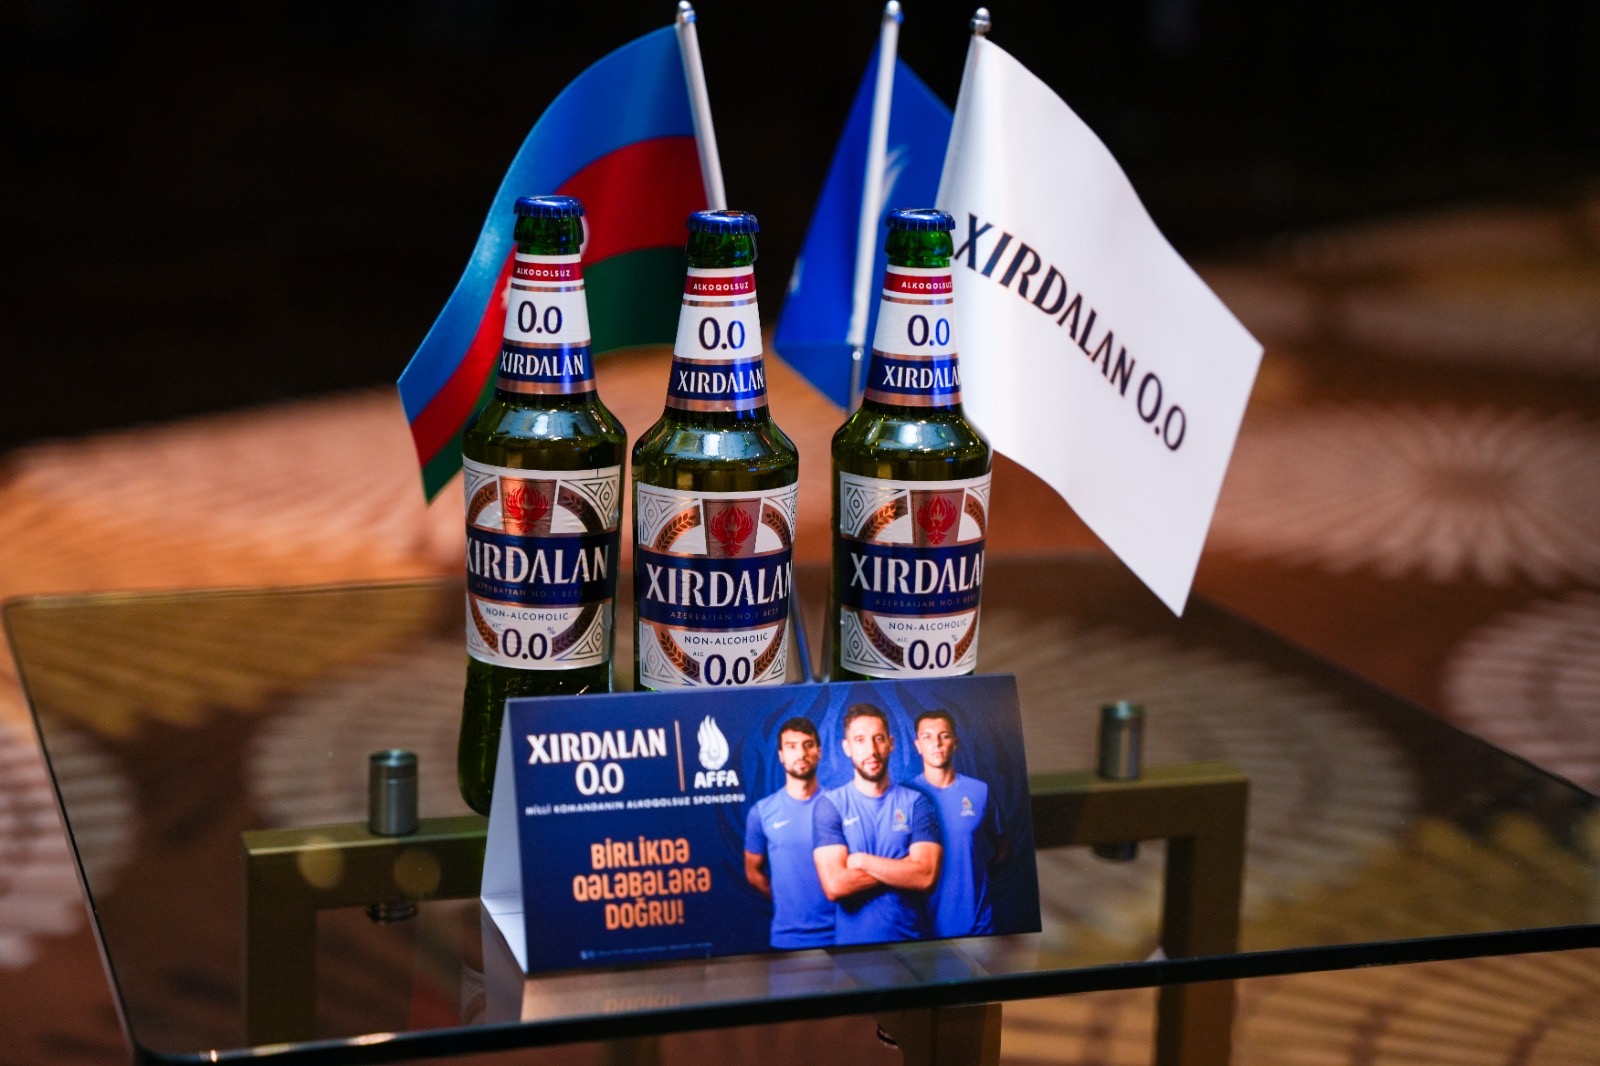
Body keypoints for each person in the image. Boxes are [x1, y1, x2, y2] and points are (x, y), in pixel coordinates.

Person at [812, 703, 941, 944]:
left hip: (913, 945)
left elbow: (925, 877)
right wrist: (904, 867)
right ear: (847, 747)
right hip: (851, 951)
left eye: (878, 739)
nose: (871, 750)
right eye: (860, 740)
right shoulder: (830, 805)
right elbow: (835, 885)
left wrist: (862, 861)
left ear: (891, 743)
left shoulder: (917, 803)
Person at [910, 710, 1007, 938]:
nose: (936, 743)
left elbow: (1003, 847)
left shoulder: (979, 791)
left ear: (955, 743)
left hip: (978, 925)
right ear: (918, 745)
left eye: (944, 736)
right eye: (927, 737)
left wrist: (973, 874)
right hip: (923, 929)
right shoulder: (905, 795)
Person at [744, 717, 834, 948]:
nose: (801, 754)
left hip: (841, 935)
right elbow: (752, 871)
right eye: (791, 747)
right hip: (788, 938)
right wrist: (784, 901)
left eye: (808, 745)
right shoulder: (762, 812)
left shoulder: (840, 805)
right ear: (781, 755)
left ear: (819, 751)